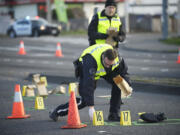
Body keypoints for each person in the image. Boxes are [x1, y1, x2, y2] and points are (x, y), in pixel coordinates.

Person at [49, 44, 132, 122]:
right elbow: (88, 84)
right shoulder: (90, 61)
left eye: (111, 64)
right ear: (103, 57)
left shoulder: (118, 59)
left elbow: (124, 73)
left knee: (119, 84)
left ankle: (113, 114)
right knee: (85, 100)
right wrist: (91, 107)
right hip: (87, 71)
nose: (108, 66)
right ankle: (57, 111)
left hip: (104, 71)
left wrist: (127, 86)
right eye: (107, 64)